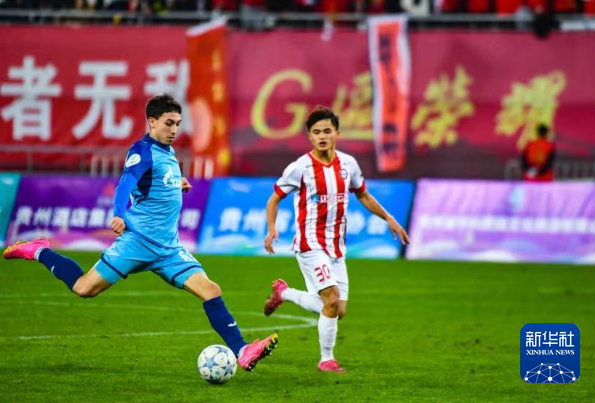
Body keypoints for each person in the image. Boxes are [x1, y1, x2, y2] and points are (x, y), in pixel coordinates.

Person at [3, 94, 277, 372]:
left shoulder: (168, 152)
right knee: (84, 288)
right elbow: (125, 184)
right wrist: (118, 214)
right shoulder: (142, 151)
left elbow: (153, 183)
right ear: (152, 121)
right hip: (137, 242)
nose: (174, 129)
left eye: (178, 123)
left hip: (169, 249)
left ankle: (242, 350)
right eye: (169, 123)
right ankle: (38, 250)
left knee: (211, 289)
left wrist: (176, 184)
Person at [262, 106, 410, 373]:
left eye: (327, 131)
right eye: (316, 132)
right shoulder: (300, 168)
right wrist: (272, 228)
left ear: (337, 134)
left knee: (337, 309)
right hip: (310, 244)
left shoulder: (348, 165)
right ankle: (326, 359)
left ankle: (284, 293)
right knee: (330, 299)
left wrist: (388, 218)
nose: (322, 136)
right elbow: (274, 199)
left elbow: (363, 195)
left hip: (337, 247)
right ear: (309, 136)